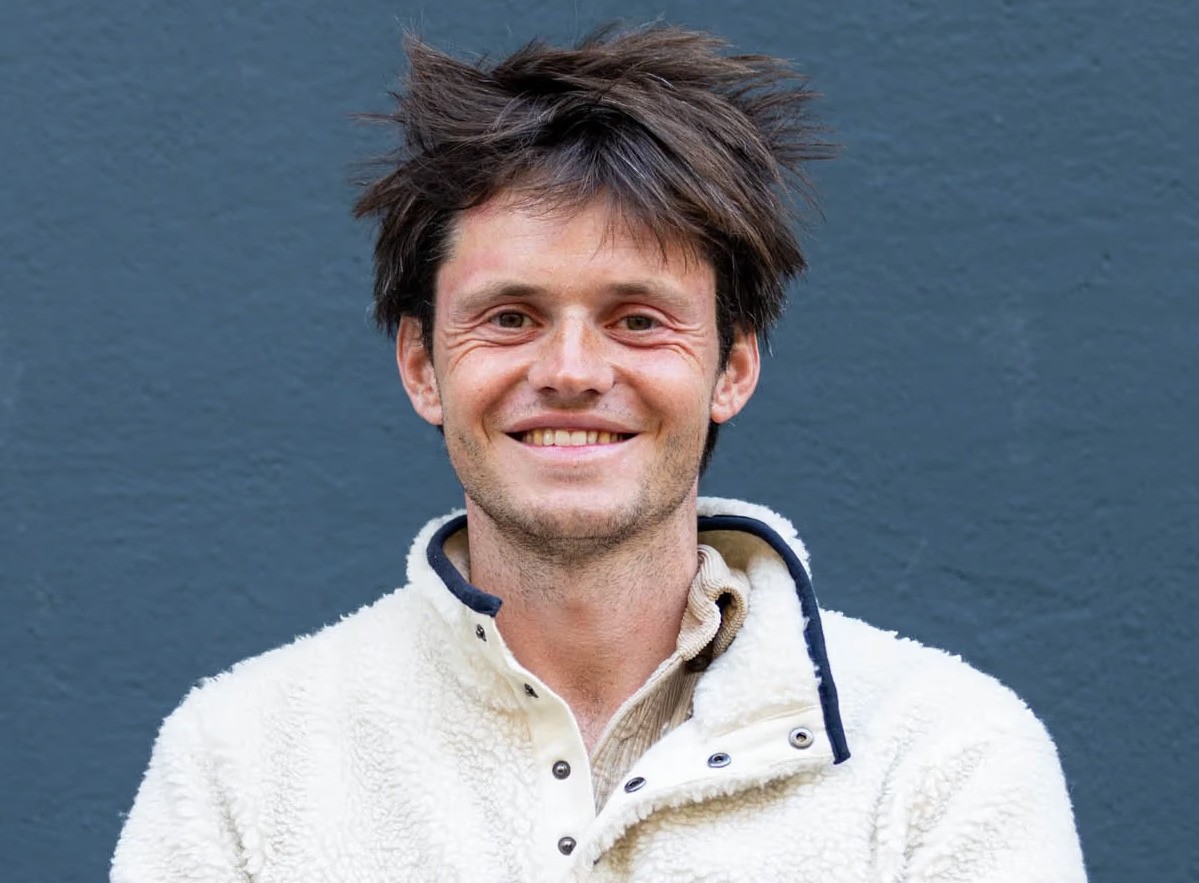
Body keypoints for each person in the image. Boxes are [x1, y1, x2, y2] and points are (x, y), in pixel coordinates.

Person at [112, 23, 1086, 882]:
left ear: (731, 367)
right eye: (510, 317)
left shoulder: (941, 758)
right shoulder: (241, 760)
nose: (572, 371)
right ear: (421, 365)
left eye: (637, 319)